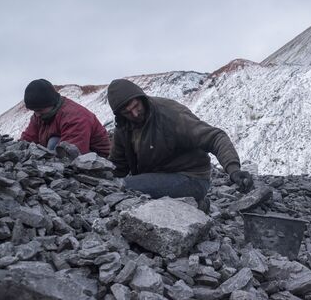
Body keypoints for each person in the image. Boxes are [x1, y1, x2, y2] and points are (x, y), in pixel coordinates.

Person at [107, 78, 254, 211]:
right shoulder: (123, 126)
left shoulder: (171, 115)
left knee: (125, 187)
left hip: (192, 178)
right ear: (119, 114)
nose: (134, 114)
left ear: (141, 98)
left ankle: (193, 203)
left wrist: (234, 170)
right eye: (127, 112)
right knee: (114, 188)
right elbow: (118, 165)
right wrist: (101, 180)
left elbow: (215, 137)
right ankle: (190, 206)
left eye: (136, 106)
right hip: (156, 176)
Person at [20, 79, 111, 157]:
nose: (37, 115)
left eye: (39, 110)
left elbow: (73, 150)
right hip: (74, 151)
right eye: (34, 111)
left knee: (54, 142)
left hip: (96, 158)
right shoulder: (41, 115)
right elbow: (28, 139)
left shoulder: (75, 117)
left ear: (51, 103)